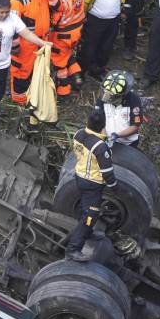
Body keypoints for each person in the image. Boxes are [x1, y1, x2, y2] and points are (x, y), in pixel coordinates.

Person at [65, 110, 117, 261]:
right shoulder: (100, 147)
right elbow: (107, 172)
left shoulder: (79, 134)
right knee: (91, 216)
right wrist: (115, 187)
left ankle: (87, 233)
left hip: (80, 177)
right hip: (93, 183)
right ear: (102, 126)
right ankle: (73, 249)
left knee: (84, 209)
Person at [8, 0, 57, 104]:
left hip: (42, 41)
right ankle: (19, 100)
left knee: (37, 71)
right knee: (21, 72)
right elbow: (12, 23)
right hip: (25, 45)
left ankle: (32, 95)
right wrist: (15, 45)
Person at [78, 0, 127, 81]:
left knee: (106, 46)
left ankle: (97, 69)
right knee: (89, 46)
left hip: (113, 20)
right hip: (94, 19)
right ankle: (81, 71)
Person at [48, 0, 86, 96]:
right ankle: (77, 77)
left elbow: (55, 8)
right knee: (68, 54)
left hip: (63, 34)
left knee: (59, 63)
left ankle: (63, 91)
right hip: (77, 30)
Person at [94, 70, 144, 147]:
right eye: (106, 93)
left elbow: (134, 127)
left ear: (121, 95)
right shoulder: (103, 97)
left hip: (128, 143)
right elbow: (98, 119)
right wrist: (105, 136)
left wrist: (117, 135)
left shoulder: (134, 100)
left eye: (111, 96)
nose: (106, 97)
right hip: (107, 139)